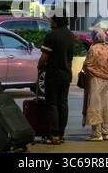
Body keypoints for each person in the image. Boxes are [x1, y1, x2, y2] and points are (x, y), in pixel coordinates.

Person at [37, 9, 75, 145]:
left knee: (52, 104)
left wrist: (39, 65)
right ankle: (61, 134)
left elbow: (44, 57)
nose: (49, 21)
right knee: (63, 104)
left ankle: (54, 135)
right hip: (66, 75)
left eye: (51, 19)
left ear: (56, 19)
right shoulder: (70, 35)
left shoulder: (51, 36)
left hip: (53, 75)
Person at [82, 28, 108, 141]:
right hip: (106, 80)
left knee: (95, 104)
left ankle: (96, 133)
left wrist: (85, 67)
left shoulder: (93, 49)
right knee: (105, 104)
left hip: (95, 79)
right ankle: (106, 132)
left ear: (95, 37)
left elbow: (88, 64)